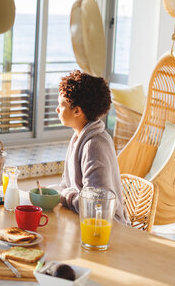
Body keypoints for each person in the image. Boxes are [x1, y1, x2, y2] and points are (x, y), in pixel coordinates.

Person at [52, 70, 128, 224]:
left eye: (61, 105)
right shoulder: (79, 137)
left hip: (108, 229)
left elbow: (97, 206)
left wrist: (63, 194)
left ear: (77, 111)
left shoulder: (93, 146)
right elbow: (67, 185)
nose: (57, 110)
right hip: (84, 221)